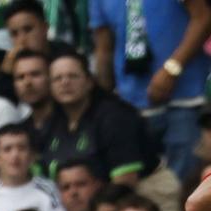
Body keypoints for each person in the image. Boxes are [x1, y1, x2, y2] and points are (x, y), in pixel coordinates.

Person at [92, 0, 211, 179]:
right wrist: (103, 105)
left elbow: (202, 18)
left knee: (185, 187)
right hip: (130, 105)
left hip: (183, 99)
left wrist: (172, 68)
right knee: (142, 193)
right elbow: (103, 48)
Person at [38, 52, 160, 185]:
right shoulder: (50, 123)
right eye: (57, 78)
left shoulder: (116, 117)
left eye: (73, 76)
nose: (65, 82)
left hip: (140, 192)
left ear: (90, 82)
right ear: (50, 87)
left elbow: (126, 181)